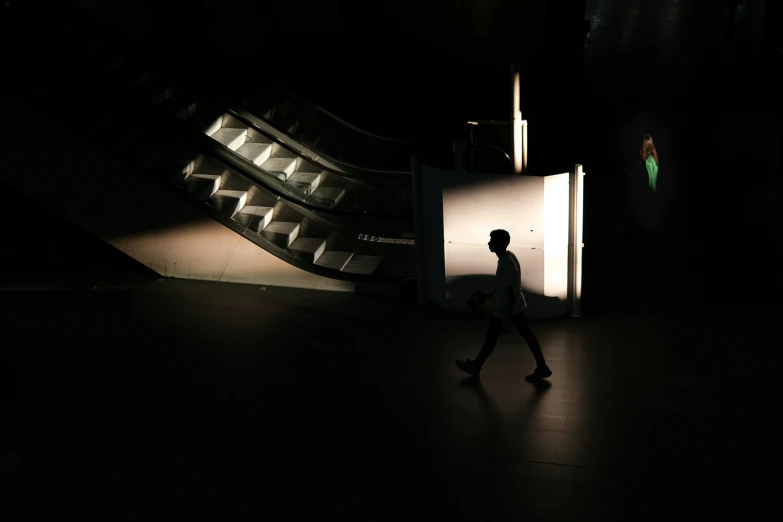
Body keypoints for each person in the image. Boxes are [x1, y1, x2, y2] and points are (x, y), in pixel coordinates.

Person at [455, 229, 552, 382]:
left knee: (492, 337)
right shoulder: (509, 257)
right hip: (515, 307)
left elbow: (511, 294)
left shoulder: (505, 264)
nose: (489, 243)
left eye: (492, 240)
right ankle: (542, 366)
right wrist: (492, 293)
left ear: (499, 243)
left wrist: (506, 320)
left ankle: (476, 367)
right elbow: (509, 285)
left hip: (506, 309)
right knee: (524, 336)